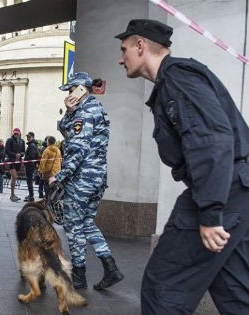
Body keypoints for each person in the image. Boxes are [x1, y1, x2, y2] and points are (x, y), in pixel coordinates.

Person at [116, 19, 249, 315]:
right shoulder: (174, 82)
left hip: (224, 190)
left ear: (141, 46)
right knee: (235, 292)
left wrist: (211, 213)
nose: (120, 57)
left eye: (124, 49)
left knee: (163, 287)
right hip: (236, 190)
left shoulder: (178, 78)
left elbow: (211, 139)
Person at [49, 71, 123, 291]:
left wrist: (59, 176)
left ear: (81, 89)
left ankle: (79, 277)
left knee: (73, 227)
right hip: (97, 178)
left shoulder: (85, 113)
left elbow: (78, 149)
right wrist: (70, 112)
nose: (69, 93)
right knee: (87, 223)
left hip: (82, 178)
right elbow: (65, 130)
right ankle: (111, 268)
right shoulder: (92, 109)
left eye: (72, 89)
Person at [5, 127, 25, 202]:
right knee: (14, 176)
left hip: (18, 162)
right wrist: (14, 155)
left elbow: (23, 151)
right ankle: (12, 194)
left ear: (19, 133)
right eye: (15, 133)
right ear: (13, 133)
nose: (16, 135)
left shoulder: (22, 141)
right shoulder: (9, 140)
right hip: (11, 160)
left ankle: (13, 194)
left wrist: (21, 154)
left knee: (14, 178)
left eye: (17, 133)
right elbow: (7, 150)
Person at [23, 131, 39, 202]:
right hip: (31, 165)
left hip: (30, 166)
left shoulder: (32, 145)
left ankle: (31, 196)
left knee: (29, 181)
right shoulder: (33, 144)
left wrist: (25, 159)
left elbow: (31, 156)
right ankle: (30, 195)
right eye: (27, 137)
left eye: (29, 137)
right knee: (29, 181)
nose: (28, 138)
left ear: (33, 137)